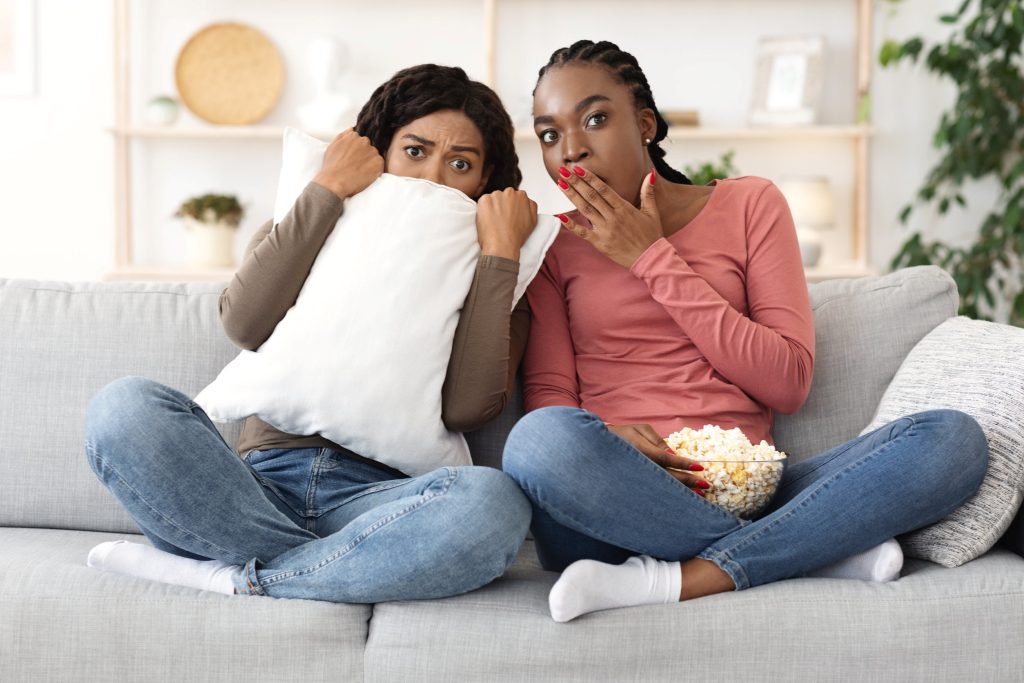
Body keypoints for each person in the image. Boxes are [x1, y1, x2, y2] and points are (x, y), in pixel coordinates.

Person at [501, 40, 989, 622]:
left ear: (646, 124)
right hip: (614, 503)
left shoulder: (749, 205)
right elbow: (550, 401)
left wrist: (651, 257)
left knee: (952, 440)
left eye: (596, 119)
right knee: (537, 442)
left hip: (751, 488)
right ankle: (809, 548)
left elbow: (787, 382)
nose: (572, 149)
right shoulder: (553, 246)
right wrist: (606, 435)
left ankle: (686, 576)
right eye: (549, 134)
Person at [84, 64, 538, 603]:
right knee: (124, 406)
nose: (431, 178)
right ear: (378, 151)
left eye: (459, 164)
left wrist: (500, 254)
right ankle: (332, 572)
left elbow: (464, 409)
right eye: (414, 151)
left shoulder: (503, 274)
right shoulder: (303, 216)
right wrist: (327, 187)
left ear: (483, 184)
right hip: (246, 492)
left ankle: (237, 577)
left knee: (494, 503)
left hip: (380, 506)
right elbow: (244, 322)